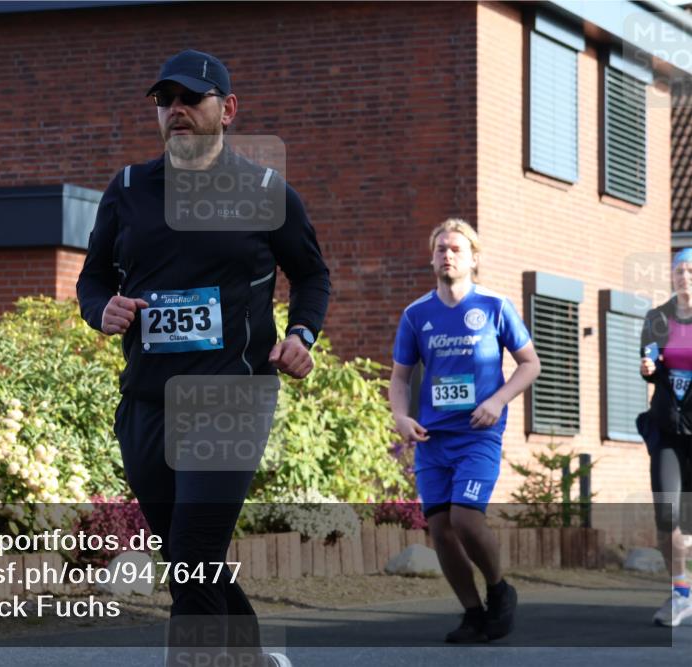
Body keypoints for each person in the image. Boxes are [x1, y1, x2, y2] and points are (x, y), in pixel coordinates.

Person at [76, 49, 330, 666]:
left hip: (231, 397)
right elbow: (92, 279)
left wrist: (301, 334)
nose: (177, 111)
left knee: (191, 552)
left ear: (228, 109)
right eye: (166, 101)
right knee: (194, 558)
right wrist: (101, 309)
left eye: (191, 98)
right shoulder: (130, 189)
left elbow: (312, 275)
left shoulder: (266, 191)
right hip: (147, 402)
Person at [388, 219, 541, 643]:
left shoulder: (495, 306)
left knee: (465, 517)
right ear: (431, 257)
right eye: (440, 249)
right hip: (433, 439)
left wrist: (496, 401)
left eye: (455, 248)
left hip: (478, 433)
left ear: (474, 258)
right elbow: (400, 378)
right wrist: (401, 416)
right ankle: (473, 614)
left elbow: (530, 364)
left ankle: (499, 590)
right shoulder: (416, 314)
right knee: (440, 530)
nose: (447, 255)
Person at [638, 248, 692, 627]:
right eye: (678, 271)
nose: (684, 277)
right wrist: (649, 368)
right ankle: (680, 593)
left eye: (690, 270)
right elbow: (650, 363)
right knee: (667, 514)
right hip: (668, 429)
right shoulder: (657, 318)